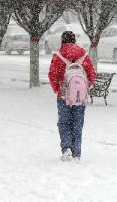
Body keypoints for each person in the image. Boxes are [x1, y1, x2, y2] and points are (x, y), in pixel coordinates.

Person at [48, 31, 96, 162]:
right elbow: (92, 74)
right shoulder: (83, 55)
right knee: (77, 123)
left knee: (64, 122)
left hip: (63, 96)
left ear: (62, 41)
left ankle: (66, 149)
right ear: (74, 41)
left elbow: (52, 75)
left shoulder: (58, 55)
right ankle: (77, 153)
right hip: (80, 96)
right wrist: (84, 88)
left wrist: (59, 90)